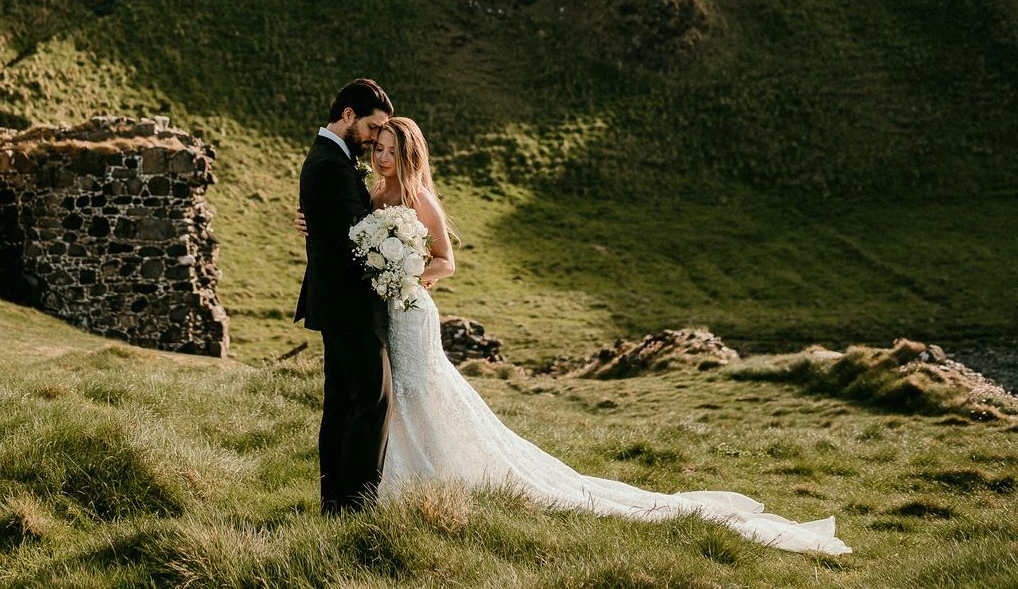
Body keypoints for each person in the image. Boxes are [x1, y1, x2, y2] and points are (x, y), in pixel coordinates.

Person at [295, 116, 852, 555]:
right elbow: (348, 234)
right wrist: (317, 226)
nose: (381, 156)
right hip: (385, 309)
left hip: (412, 308)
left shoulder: (420, 199)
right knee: (391, 396)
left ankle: (426, 481)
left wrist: (411, 270)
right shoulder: (373, 195)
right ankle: (392, 484)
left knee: (420, 391)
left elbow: (447, 262)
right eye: (378, 148)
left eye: (390, 149)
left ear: (408, 154)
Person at [296, 78, 394, 514]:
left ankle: (335, 503)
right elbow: (356, 236)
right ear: (348, 115)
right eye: (372, 128)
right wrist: (404, 242)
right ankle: (357, 506)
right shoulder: (330, 164)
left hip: (337, 302)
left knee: (343, 403)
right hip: (350, 303)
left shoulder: (332, 158)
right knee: (372, 401)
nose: (374, 139)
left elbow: (337, 224)